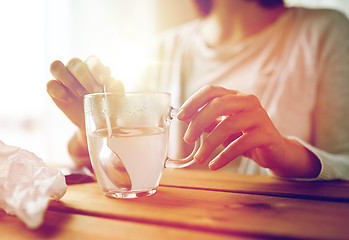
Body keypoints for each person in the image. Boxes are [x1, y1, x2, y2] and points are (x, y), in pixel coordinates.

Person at [47, 0, 349, 180]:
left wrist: (287, 154)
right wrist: (95, 127)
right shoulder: (163, 48)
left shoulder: (326, 33)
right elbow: (125, 167)